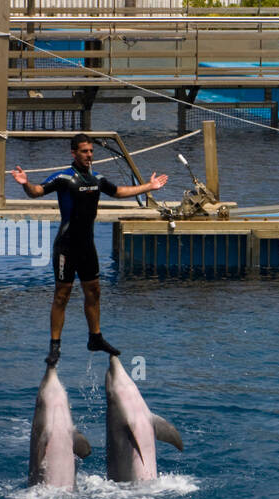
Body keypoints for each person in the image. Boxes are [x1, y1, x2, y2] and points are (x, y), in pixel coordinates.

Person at [13, 134, 168, 365]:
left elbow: (118, 192)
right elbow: (37, 191)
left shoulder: (97, 178)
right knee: (61, 295)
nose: (89, 156)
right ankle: (55, 345)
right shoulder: (63, 178)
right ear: (74, 153)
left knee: (94, 292)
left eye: (91, 152)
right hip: (66, 246)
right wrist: (26, 183)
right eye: (85, 151)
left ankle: (95, 338)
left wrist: (149, 186)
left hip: (87, 246)